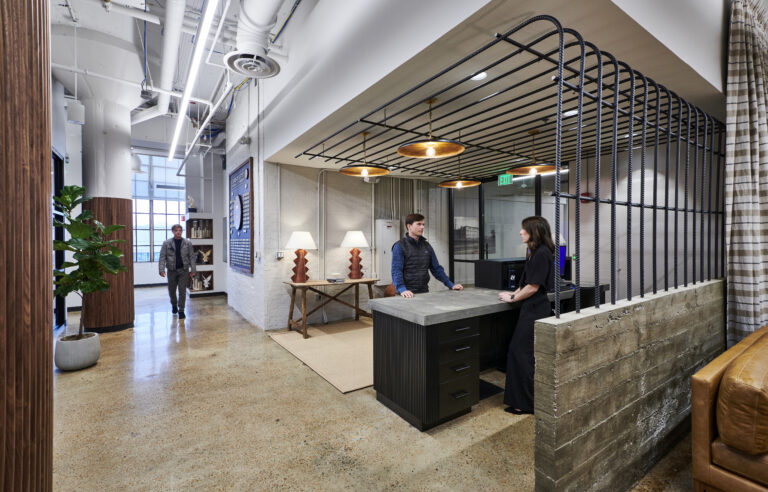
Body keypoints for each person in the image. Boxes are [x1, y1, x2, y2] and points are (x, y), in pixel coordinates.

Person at [498, 216, 554, 415]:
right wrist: (513, 294)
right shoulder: (534, 252)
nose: (520, 232)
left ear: (534, 231)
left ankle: (525, 403)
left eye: (524, 229)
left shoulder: (541, 254)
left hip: (535, 309)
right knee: (521, 353)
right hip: (531, 308)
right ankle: (524, 400)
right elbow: (525, 283)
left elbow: (533, 286)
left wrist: (513, 299)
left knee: (520, 354)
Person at [391, 213, 463, 298]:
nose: (422, 227)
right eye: (419, 224)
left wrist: (451, 285)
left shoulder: (427, 246)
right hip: (405, 293)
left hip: (424, 291)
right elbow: (396, 271)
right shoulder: (399, 246)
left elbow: (436, 269)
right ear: (409, 226)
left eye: (423, 224)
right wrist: (402, 289)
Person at [159, 224, 196, 319]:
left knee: (182, 291)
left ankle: (181, 310)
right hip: (171, 271)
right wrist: (161, 270)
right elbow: (162, 257)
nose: (178, 232)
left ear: (182, 231)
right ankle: (174, 304)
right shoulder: (167, 243)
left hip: (184, 270)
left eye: (180, 230)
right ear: (173, 232)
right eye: (176, 230)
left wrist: (193, 270)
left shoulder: (187, 243)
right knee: (171, 291)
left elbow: (192, 257)